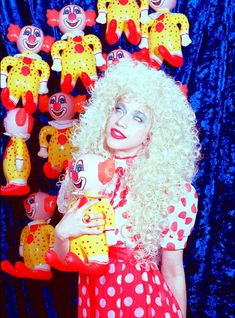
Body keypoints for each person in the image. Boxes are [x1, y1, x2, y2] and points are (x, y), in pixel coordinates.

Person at [53, 59, 200, 318]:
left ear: (152, 134)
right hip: (93, 300)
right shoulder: (83, 173)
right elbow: (66, 259)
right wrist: (61, 232)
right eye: (119, 109)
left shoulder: (172, 189)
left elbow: (173, 270)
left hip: (143, 303)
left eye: (138, 117)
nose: (121, 121)